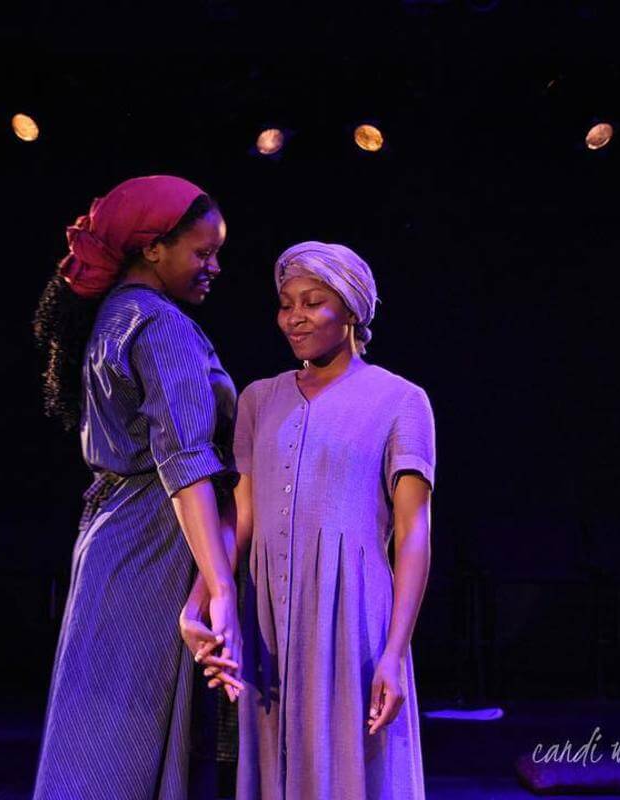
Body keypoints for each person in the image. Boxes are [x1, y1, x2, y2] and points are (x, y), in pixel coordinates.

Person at [31, 175, 242, 800]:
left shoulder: (113, 318)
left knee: (100, 722)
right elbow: (184, 462)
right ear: (153, 248)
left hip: (113, 537)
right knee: (124, 727)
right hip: (153, 539)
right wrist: (221, 582)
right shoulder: (159, 325)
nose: (214, 267)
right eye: (202, 253)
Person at [227, 241, 435, 799]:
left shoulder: (401, 400)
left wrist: (393, 651)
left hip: (352, 615)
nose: (294, 316)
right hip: (266, 612)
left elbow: (413, 536)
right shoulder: (257, 399)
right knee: (273, 759)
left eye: (313, 302)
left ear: (349, 310)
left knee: (351, 761)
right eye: (286, 302)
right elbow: (242, 518)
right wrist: (213, 598)